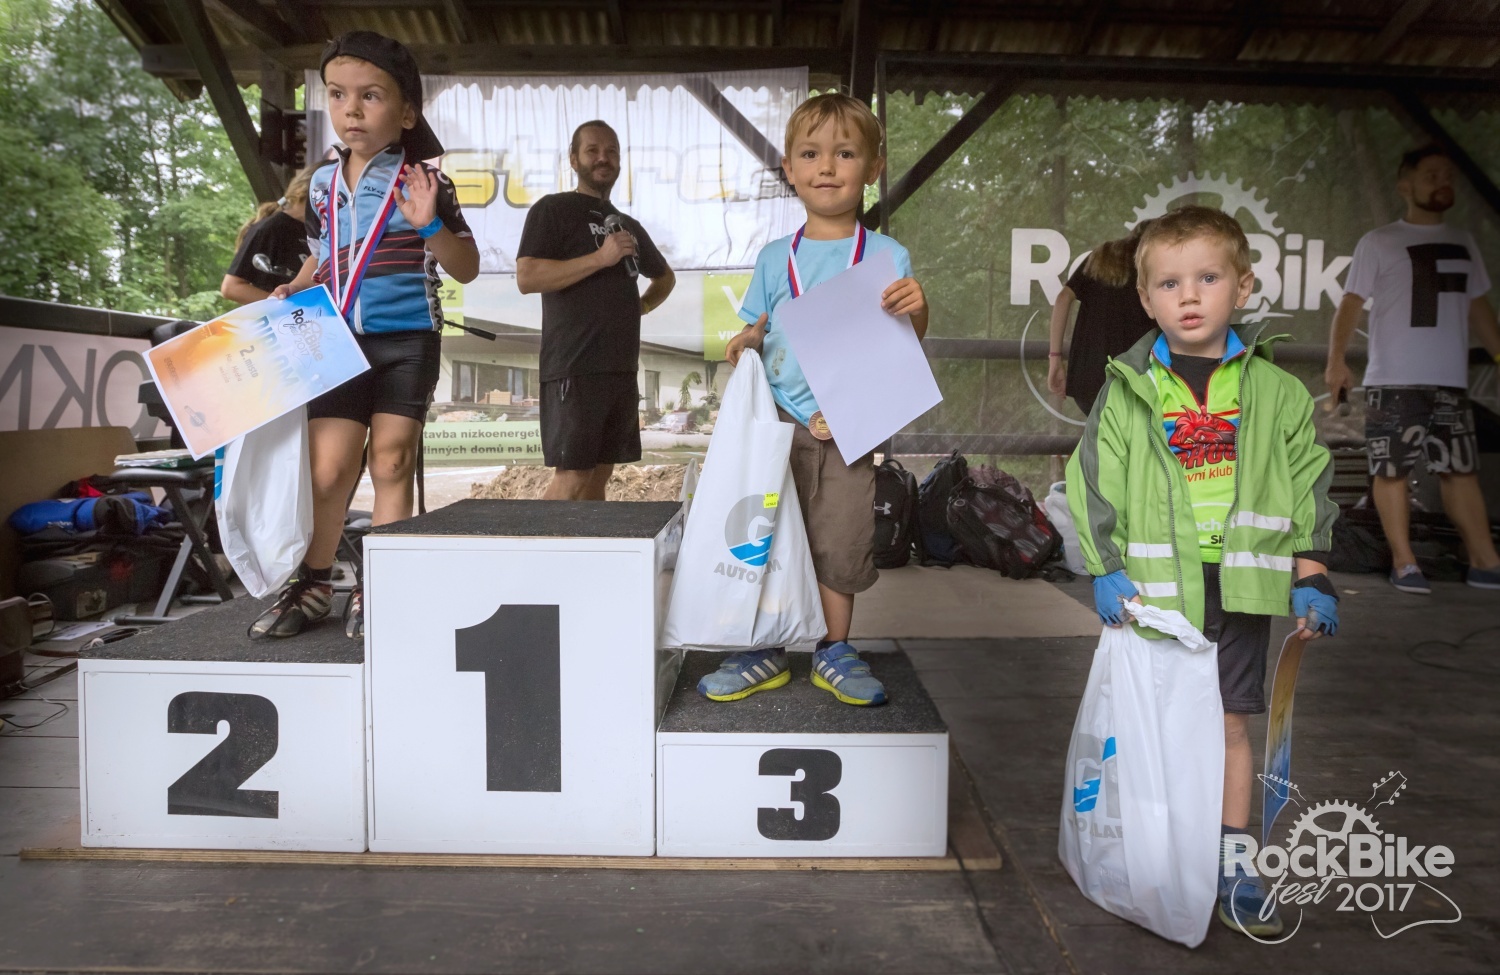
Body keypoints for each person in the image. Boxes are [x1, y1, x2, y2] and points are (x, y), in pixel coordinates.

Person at [1066, 205, 1341, 937]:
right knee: (1153, 729)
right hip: (1154, 596)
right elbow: (1093, 481)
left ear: (1243, 286)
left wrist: (1312, 572)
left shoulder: (1278, 394)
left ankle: (1233, 862)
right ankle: (1158, 852)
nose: (1188, 296)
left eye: (1208, 278)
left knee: (1227, 726)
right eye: (1169, 283)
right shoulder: (1127, 389)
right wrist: (1104, 566)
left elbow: (1309, 484)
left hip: (1242, 589)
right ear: (1146, 299)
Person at [249, 30, 479, 640]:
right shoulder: (321, 185)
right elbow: (323, 253)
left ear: (406, 113)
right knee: (328, 470)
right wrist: (293, 287)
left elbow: (466, 267)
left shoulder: (426, 182)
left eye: (370, 95)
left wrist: (428, 227)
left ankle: (381, 586)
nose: (351, 109)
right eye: (337, 94)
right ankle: (314, 583)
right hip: (335, 340)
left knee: (391, 460)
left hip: (408, 338)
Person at [710, 92, 930, 707]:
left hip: (849, 421)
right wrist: (745, 341)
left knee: (839, 536)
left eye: (845, 153)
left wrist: (919, 309)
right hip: (778, 419)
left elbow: (906, 340)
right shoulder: (774, 257)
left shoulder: (885, 255)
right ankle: (766, 648)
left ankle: (834, 649)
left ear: (874, 167)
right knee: (769, 534)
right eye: (810, 154)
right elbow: (756, 328)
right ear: (789, 168)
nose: (827, 166)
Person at [1326, 144, 1500, 594]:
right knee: (1391, 470)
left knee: (1460, 470)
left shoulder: (1463, 241)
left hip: (1450, 382)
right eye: (1431, 175)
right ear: (1406, 185)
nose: (1442, 182)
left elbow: (1478, 305)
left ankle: (1485, 561)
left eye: (1448, 175)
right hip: (1393, 380)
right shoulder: (1379, 240)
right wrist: (1336, 361)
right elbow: (1350, 303)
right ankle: (1404, 563)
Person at [516, 121, 675, 500]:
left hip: (620, 367)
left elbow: (664, 278)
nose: (603, 158)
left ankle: (587, 544)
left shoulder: (627, 225)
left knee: (598, 478)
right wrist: (601, 258)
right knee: (572, 478)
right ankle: (535, 543)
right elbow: (527, 276)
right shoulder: (552, 209)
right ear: (573, 159)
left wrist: (638, 307)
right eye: (592, 150)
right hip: (575, 366)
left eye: (612, 151)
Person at [1047, 220, 1158, 415]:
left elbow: (1063, 298)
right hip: (1138, 376)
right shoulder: (1155, 263)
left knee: (1101, 432)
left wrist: (1055, 359)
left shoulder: (1102, 256)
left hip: (1088, 377)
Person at [220, 167, 316, 305]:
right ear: (303, 190)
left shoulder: (315, 228)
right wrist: (285, 306)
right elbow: (232, 287)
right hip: (289, 315)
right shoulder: (271, 228)